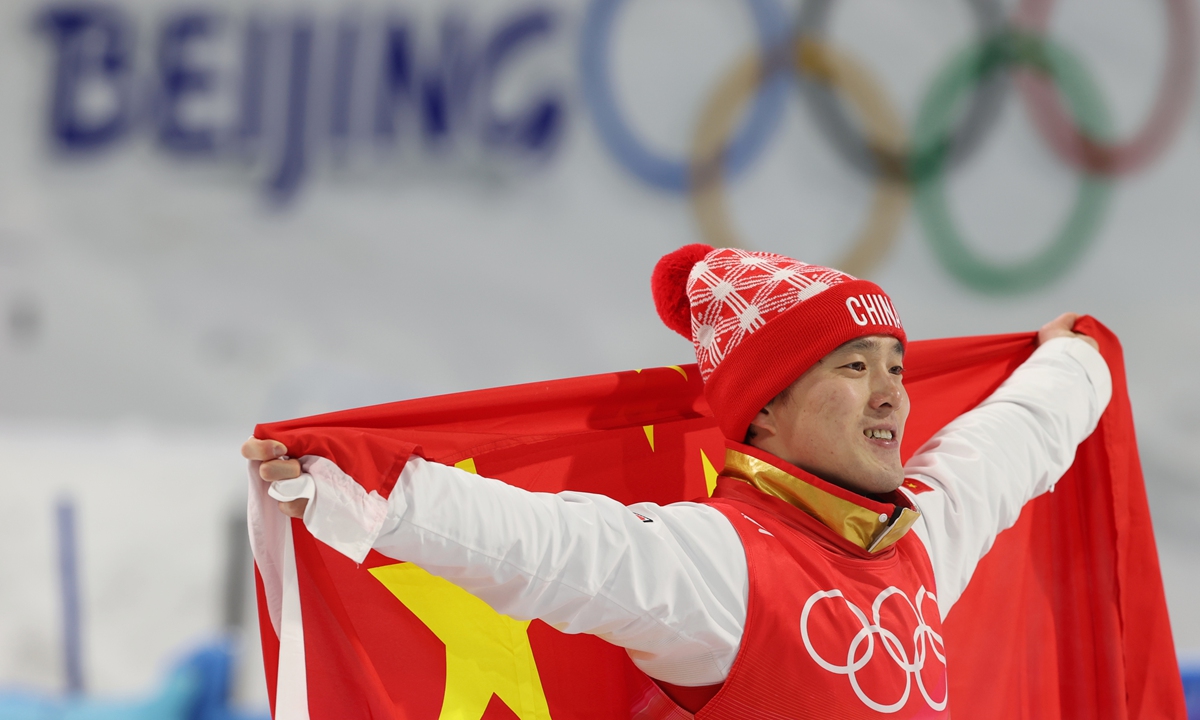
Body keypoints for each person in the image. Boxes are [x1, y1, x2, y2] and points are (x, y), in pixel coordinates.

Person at [243, 245, 1110, 717]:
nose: (892, 392)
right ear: (764, 410)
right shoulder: (727, 567)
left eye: (896, 364)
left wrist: (1077, 360)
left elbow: (1011, 444)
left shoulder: (915, 541)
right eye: (853, 367)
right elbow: (552, 550)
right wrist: (359, 485)